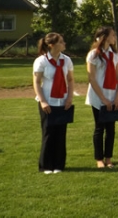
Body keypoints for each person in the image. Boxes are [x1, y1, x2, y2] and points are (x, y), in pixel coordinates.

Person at [33, 33, 75, 174]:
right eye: (61, 42)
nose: (64, 44)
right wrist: (43, 101)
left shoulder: (66, 60)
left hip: (63, 101)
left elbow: (70, 80)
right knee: (48, 133)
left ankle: (59, 165)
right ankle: (46, 165)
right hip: (48, 102)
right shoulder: (41, 61)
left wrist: (69, 98)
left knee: (60, 134)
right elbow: (36, 82)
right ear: (51, 45)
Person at [86, 26, 118, 169]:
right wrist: (103, 99)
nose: (115, 37)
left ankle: (108, 158)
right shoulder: (93, 55)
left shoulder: (115, 55)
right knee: (99, 128)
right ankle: (99, 159)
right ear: (105, 37)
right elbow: (92, 79)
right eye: (112, 35)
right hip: (98, 96)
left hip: (112, 95)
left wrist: (117, 96)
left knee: (111, 129)